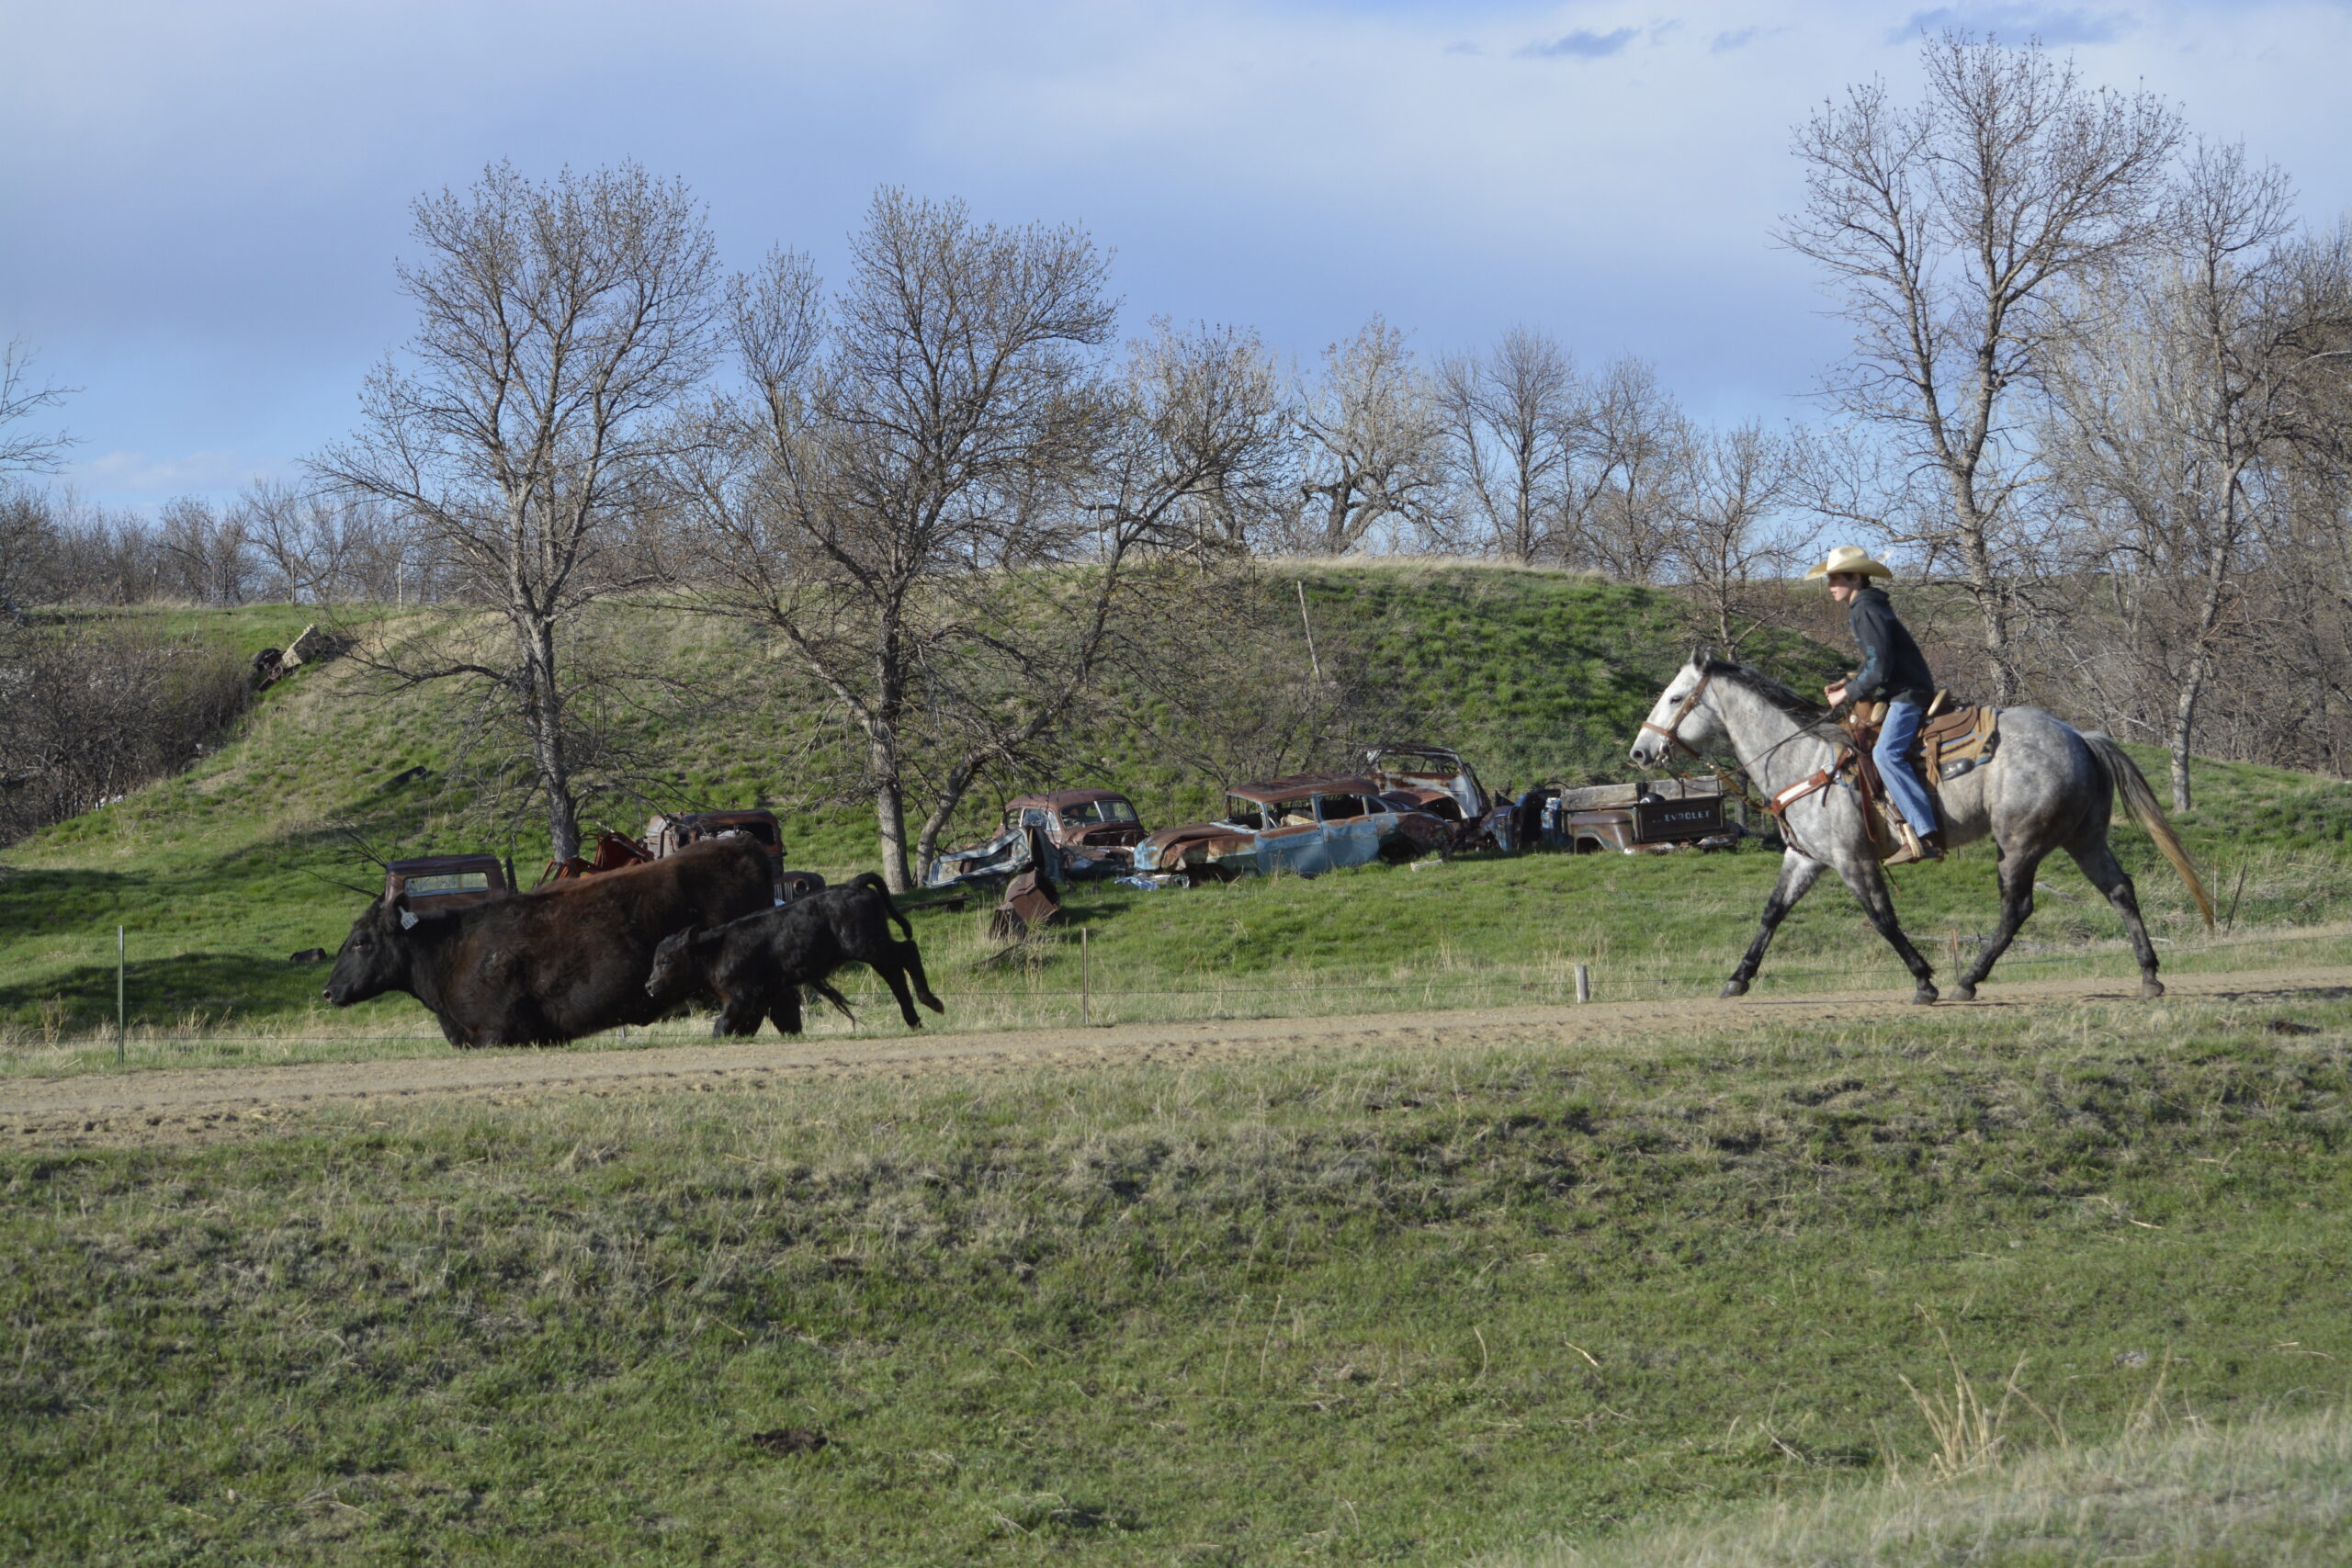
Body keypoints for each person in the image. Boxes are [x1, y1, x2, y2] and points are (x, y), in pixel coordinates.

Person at [1807, 545, 1942, 863]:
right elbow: (1876, 660)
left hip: (1908, 693)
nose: (1830, 586)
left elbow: (1880, 666)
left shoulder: (1865, 607)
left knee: (1886, 754)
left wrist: (1846, 693)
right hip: (1899, 689)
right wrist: (1851, 680)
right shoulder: (1866, 605)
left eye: (1836, 579)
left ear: (1856, 577)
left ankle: (1923, 834)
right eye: (1829, 579)